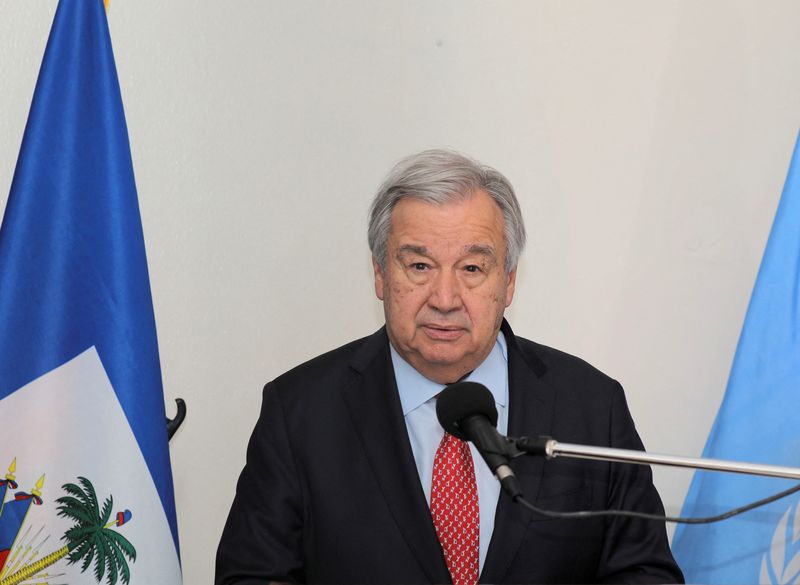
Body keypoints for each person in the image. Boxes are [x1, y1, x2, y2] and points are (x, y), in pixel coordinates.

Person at [215, 150, 684, 585]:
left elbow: (644, 574)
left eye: (472, 269)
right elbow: (253, 575)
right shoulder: (300, 413)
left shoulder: (591, 406)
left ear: (509, 283)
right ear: (380, 274)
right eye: (419, 266)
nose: (444, 299)